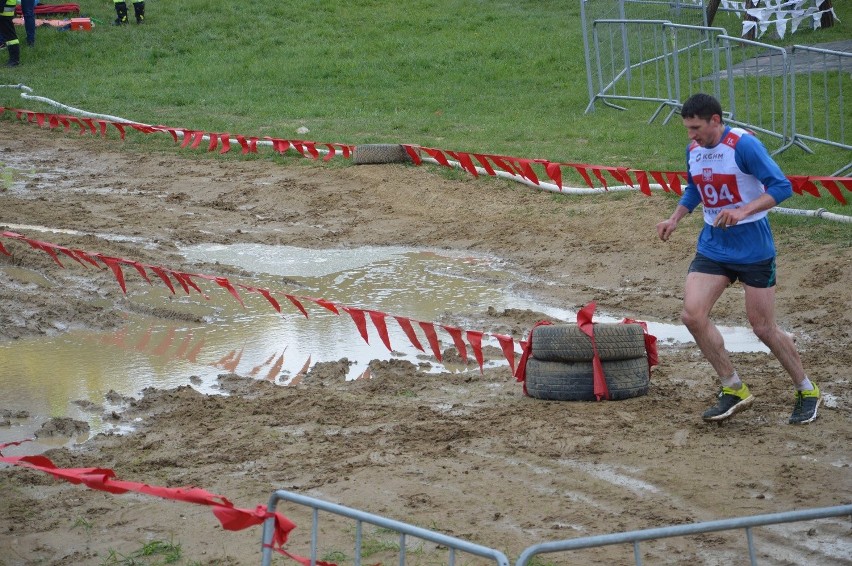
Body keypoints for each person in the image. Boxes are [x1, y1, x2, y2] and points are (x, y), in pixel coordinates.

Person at [656, 92, 820, 425]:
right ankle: (733, 387)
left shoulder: (743, 145)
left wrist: (743, 209)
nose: (691, 136)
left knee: (762, 327)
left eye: (696, 128)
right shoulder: (694, 150)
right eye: (688, 129)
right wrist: (675, 217)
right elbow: (695, 188)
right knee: (692, 315)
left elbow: (781, 186)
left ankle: (806, 389)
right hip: (714, 246)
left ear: (715, 120)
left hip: (754, 248)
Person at [0, 0, 20, 67]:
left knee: (11, 38)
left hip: (4, 12)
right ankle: (14, 59)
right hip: (5, 11)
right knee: (9, 37)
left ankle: (14, 60)